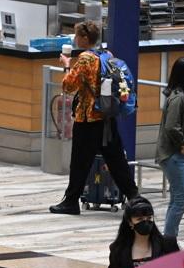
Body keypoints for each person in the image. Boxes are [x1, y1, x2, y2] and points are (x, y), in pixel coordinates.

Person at [50, 20, 141, 214]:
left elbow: (68, 86)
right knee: (116, 161)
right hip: (107, 117)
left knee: (80, 162)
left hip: (88, 119)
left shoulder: (85, 58)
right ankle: (135, 198)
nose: (75, 39)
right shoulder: (107, 55)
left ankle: (71, 202)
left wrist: (66, 65)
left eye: (77, 36)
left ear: (84, 38)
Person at [157, 57, 184, 239]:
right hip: (173, 155)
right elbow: (171, 126)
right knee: (183, 200)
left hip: (178, 156)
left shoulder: (181, 96)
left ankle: (168, 240)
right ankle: (169, 241)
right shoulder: (178, 98)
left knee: (176, 199)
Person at [102, 196, 179, 268]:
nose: (146, 222)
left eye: (149, 217)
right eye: (139, 219)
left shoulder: (168, 244)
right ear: (130, 222)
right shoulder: (118, 249)